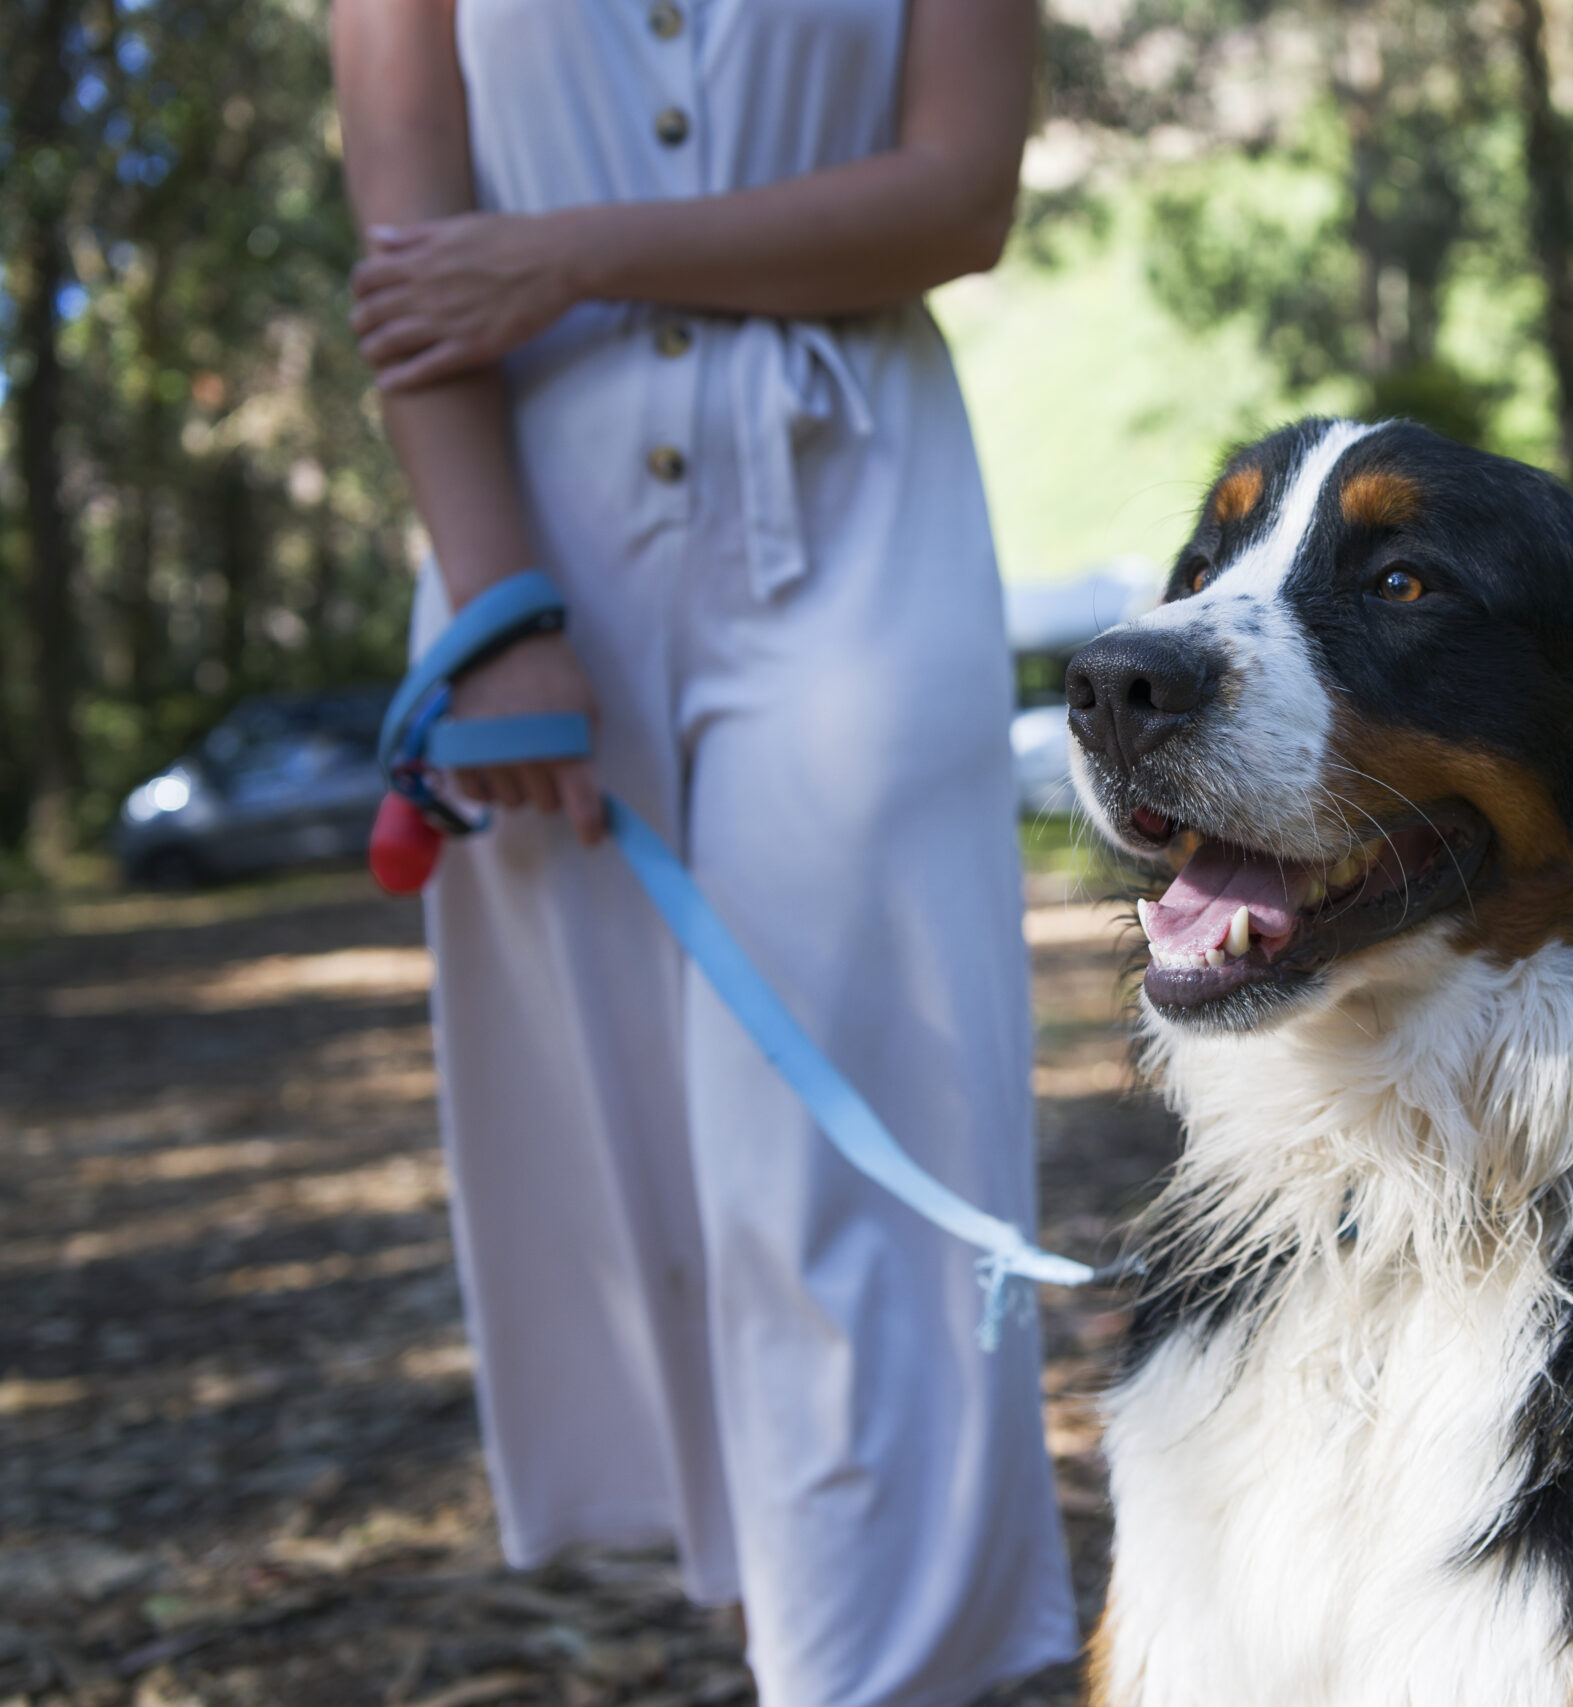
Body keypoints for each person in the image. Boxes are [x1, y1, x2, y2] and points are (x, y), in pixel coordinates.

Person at [328, 2, 1078, 1701]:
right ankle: (793, 1633)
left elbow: (960, 195)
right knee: (640, 1158)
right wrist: (496, 614)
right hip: (539, 542)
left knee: (848, 1129)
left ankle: (869, 1671)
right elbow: (412, 273)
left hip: (855, 514)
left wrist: (570, 253)